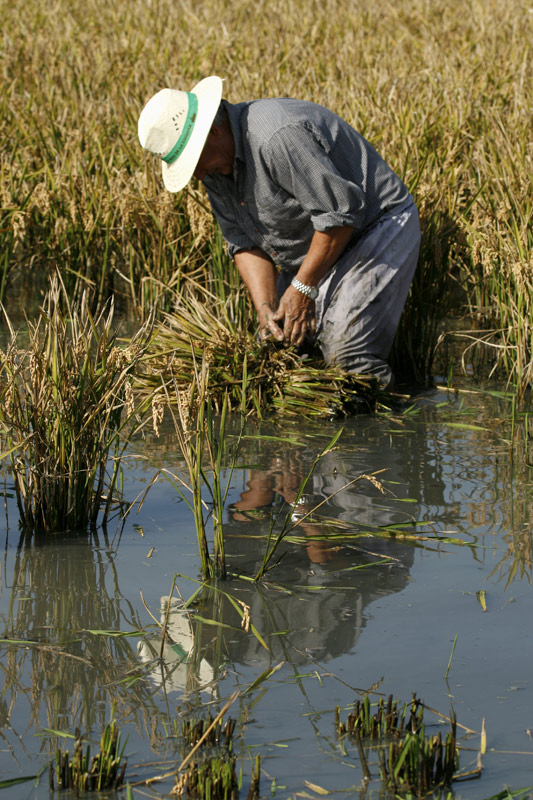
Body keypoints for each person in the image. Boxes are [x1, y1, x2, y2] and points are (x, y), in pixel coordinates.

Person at [138, 76, 420, 388]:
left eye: (195, 163)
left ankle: (387, 426)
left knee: (346, 355)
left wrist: (303, 288)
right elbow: (243, 242)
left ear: (213, 132)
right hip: (320, 243)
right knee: (287, 350)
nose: (199, 175)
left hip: (374, 228)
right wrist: (266, 311)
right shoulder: (214, 168)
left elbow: (340, 214)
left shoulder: (276, 137)